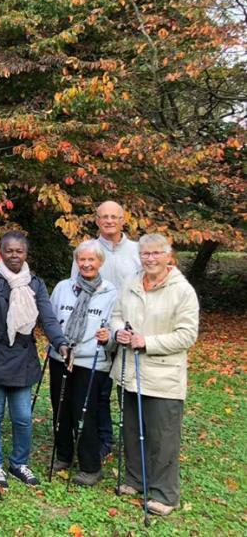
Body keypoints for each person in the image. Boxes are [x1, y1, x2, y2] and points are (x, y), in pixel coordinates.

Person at [102, 233, 198, 516]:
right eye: (145, 254)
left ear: (169, 256)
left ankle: (165, 494)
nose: (150, 259)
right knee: (132, 429)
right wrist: (119, 330)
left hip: (163, 377)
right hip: (129, 371)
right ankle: (135, 480)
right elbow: (117, 314)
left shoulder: (182, 290)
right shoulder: (132, 283)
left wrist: (148, 342)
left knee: (162, 436)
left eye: (156, 253)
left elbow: (187, 335)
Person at [0, 231, 68, 489]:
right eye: (9, 251)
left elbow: (47, 318)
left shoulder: (35, 284)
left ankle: (18, 462)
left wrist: (60, 342)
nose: (14, 255)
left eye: (19, 251)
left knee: (23, 416)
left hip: (23, 357)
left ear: (26, 254)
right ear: (0, 253)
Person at [73, 200, 141, 457]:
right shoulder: (87, 249)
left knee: (127, 388)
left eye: (115, 216)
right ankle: (103, 441)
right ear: (97, 220)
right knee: (98, 390)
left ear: (124, 219)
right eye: (104, 217)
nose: (109, 221)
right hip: (96, 331)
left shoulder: (136, 251)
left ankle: (133, 442)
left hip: (126, 329)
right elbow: (75, 288)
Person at [48, 240, 117, 486]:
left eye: (92, 260)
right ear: (76, 262)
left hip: (91, 362)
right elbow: (51, 319)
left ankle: (90, 466)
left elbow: (114, 328)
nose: (86, 264)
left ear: (100, 262)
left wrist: (107, 337)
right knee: (61, 408)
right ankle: (64, 455)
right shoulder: (63, 287)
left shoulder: (110, 292)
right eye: (82, 259)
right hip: (61, 357)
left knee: (84, 412)